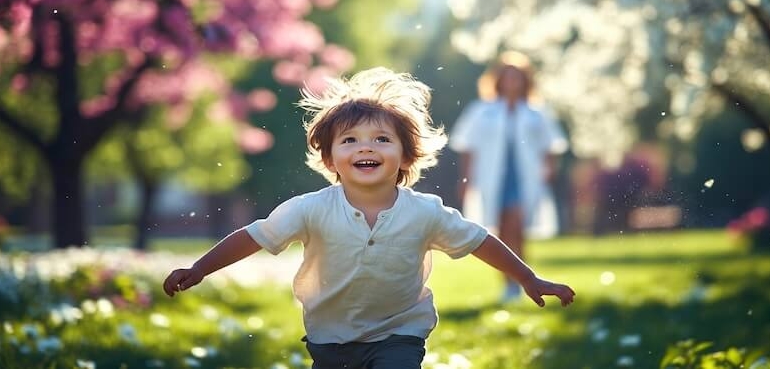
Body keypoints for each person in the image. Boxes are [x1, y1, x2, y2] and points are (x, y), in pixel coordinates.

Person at [163, 67, 575, 369]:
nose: (367, 147)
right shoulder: (311, 208)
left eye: (382, 139)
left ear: (405, 155)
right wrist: (200, 268)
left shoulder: (424, 212)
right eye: (351, 140)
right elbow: (254, 236)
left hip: (400, 333)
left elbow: (478, 240)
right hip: (329, 339)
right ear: (329, 158)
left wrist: (527, 278)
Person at [449, 51, 569, 303]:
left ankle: (523, 280)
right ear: (498, 80)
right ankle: (511, 284)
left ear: (526, 81)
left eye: (517, 77)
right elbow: (467, 146)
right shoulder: (482, 111)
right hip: (492, 178)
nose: (512, 82)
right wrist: (466, 179)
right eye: (507, 77)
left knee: (517, 225)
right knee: (502, 229)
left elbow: (551, 145)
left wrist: (548, 170)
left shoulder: (536, 112)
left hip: (525, 178)